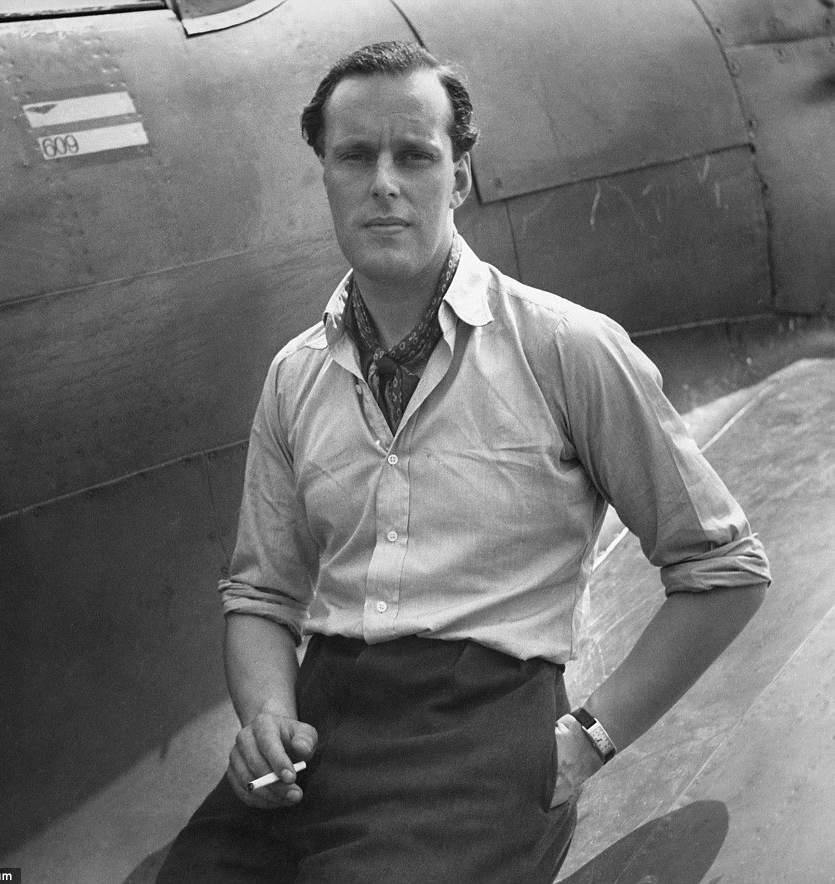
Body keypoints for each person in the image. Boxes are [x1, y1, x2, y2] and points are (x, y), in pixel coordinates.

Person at [156, 41, 770, 883]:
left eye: (415, 155)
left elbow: (724, 568)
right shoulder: (295, 374)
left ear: (462, 174)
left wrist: (584, 744)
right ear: (326, 173)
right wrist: (266, 718)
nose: (384, 184)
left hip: (484, 736)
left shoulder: (566, 348)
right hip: (320, 728)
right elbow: (263, 592)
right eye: (355, 156)